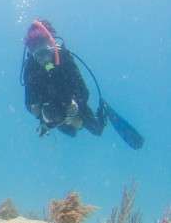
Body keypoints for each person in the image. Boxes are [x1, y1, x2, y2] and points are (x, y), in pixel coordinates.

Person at [21, 18, 143, 148]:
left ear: (52, 45)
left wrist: (76, 103)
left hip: (71, 98)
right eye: (38, 55)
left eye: (45, 52)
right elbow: (29, 102)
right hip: (50, 107)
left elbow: (83, 90)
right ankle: (64, 121)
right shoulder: (30, 68)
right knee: (71, 133)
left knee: (97, 130)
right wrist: (41, 116)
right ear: (31, 53)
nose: (44, 60)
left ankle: (105, 109)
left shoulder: (64, 58)